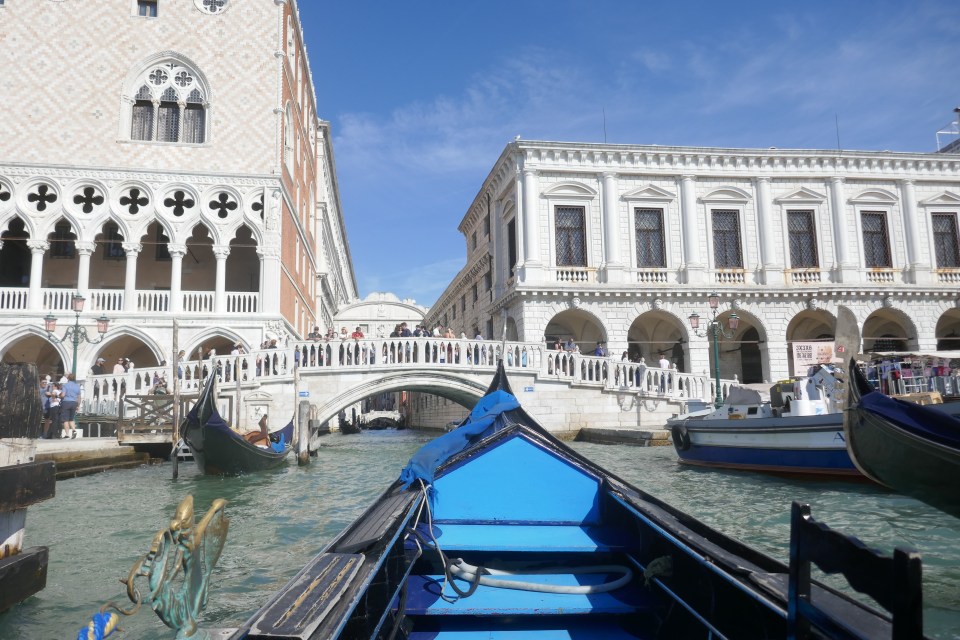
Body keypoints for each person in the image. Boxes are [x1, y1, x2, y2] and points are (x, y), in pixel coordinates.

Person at [60, 373, 82, 439]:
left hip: (66, 402)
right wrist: (78, 405)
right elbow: (79, 397)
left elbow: (63, 395)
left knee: (65, 420)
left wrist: (59, 395)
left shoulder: (65, 385)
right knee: (71, 419)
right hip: (74, 403)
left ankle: (67, 434)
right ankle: (74, 430)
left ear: (68, 378)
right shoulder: (77, 386)